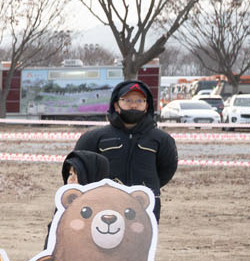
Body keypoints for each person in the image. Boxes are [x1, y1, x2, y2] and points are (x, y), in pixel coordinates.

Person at [72, 80, 178, 217]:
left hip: (145, 205)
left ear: (147, 106)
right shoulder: (94, 137)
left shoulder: (162, 139)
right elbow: (79, 168)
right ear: (116, 105)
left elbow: (167, 169)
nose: (134, 105)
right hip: (104, 205)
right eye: (127, 100)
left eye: (139, 101)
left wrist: (148, 185)